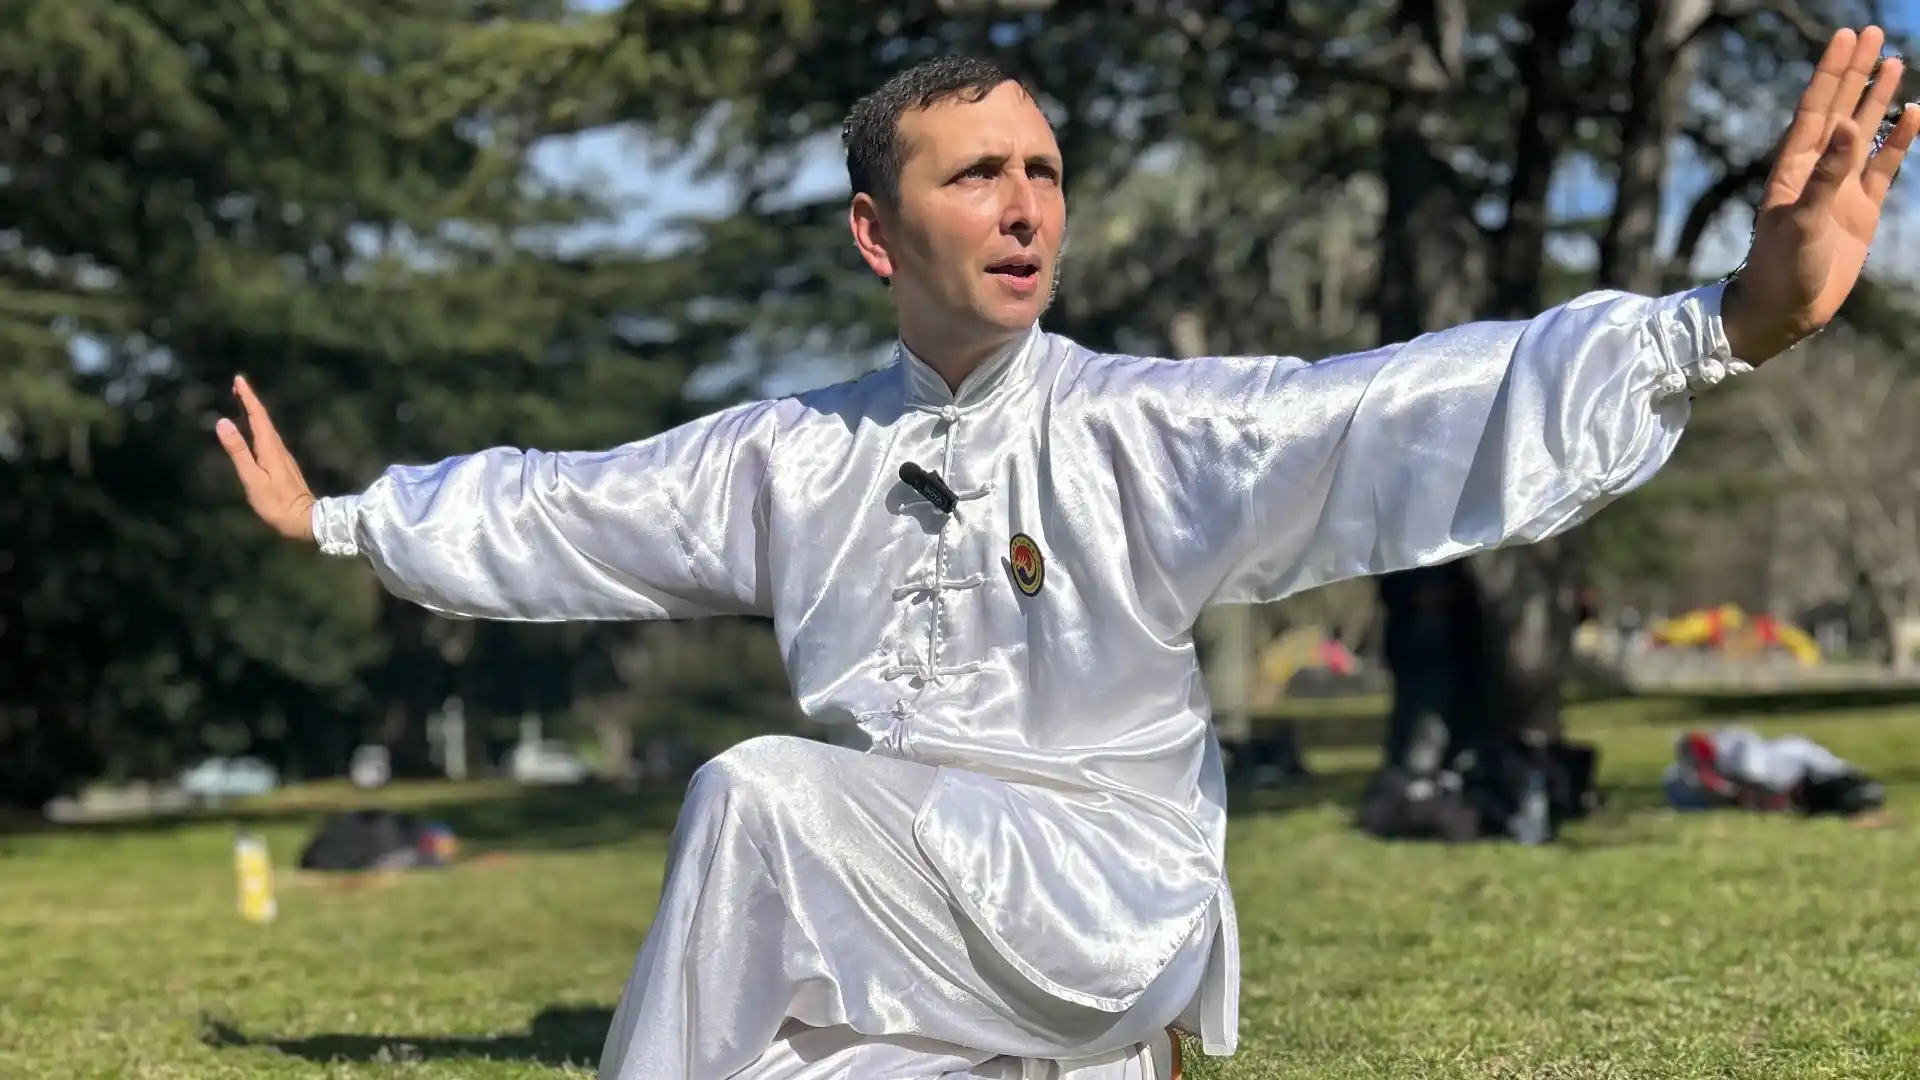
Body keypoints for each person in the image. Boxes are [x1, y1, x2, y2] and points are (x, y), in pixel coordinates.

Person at [217, 28, 1916, 1080]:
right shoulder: (784, 452)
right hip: (906, 902)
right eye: (979, 175)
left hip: (1109, 892)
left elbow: (1402, 407)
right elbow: (562, 504)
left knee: (754, 791)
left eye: (1044, 167)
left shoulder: (1153, 429)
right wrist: (347, 518)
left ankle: (1103, 1034)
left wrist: (1727, 325)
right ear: (881, 231)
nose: (1029, 201)